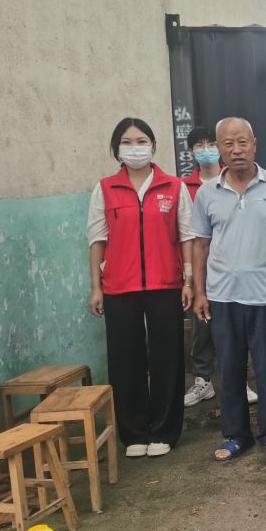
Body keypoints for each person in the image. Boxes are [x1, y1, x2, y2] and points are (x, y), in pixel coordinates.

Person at [191, 117, 266, 462]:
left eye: (242, 142)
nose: (236, 150)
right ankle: (236, 434)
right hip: (222, 296)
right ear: (219, 149)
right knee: (230, 368)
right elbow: (200, 244)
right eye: (228, 143)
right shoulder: (207, 193)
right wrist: (199, 291)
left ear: (254, 145)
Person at [86, 117, 193, 458]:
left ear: (154, 145)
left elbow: (187, 237)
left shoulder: (173, 187)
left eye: (142, 141)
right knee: (125, 360)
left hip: (166, 284)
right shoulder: (105, 189)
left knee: (167, 357)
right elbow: (97, 240)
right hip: (119, 287)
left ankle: (164, 430)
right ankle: (133, 433)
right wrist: (96, 287)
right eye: (128, 142)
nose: (135, 148)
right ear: (117, 148)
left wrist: (188, 280)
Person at [181, 126, 259, 408]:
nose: (205, 149)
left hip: (238, 271)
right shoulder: (185, 187)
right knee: (202, 329)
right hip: (203, 270)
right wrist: (190, 278)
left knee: (239, 330)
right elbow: (190, 238)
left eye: (210, 143)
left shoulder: (241, 180)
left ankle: (240, 381)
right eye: (198, 145)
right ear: (191, 152)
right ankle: (203, 380)